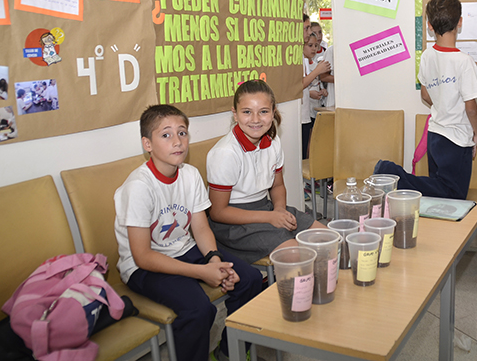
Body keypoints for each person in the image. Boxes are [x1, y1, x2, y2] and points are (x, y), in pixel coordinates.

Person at [114, 104, 261, 361]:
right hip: (143, 267)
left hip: (183, 249)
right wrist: (201, 272)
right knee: (198, 310)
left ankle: (228, 352)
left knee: (248, 279)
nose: (177, 141)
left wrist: (214, 260)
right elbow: (142, 256)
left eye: (182, 133)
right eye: (166, 135)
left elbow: (201, 227)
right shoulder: (139, 186)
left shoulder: (190, 175)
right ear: (147, 144)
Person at [207, 79, 328, 264]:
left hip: (266, 208)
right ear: (235, 114)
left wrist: (279, 210)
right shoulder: (225, 153)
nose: (255, 119)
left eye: (263, 112)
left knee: (327, 239)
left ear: (273, 113)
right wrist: (270, 217)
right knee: (295, 253)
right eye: (247, 112)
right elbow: (218, 212)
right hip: (232, 223)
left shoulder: (273, 141)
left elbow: (278, 185)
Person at [374, 0, 477, 200]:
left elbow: (425, 94)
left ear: (430, 25)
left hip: (435, 136)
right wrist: (476, 133)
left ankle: (392, 176)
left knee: (438, 197)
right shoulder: (464, 61)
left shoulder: (426, 55)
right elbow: (471, 107)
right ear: (459, 22)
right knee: (454, 195)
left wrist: (442, 104)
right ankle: (390, 172)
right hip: (456, 139)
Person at [302, 32, 330, 160]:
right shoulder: (302, 62)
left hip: (308, 112)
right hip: (303, 114)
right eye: (310, 45)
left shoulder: (307, 62)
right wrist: (318, 70)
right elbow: (299, 85)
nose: (313, 48)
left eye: (315, 46)